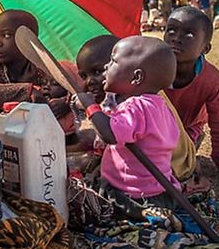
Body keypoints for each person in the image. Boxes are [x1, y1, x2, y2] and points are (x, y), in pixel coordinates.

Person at [72, 36, 180, 209]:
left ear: (136, 77)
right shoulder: (160, 106)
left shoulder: (134, 107)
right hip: (159, 191)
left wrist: (89, 105)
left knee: (77, 201)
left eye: (113, 61)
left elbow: (110, 134)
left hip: (132, 196)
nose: (107, 66)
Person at [163, 7, 219, 180]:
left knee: (175, 167)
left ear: (205, 48)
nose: (176, 38)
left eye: (189, 35)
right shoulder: (152, 66)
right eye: (171, 30)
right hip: (155, 127)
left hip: (187, 129)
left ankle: (189, 147)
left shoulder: (211, 80)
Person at [0, 10, 70, 126]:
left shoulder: (43, 68)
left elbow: (76, 88)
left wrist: (66, 103)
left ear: (29, 40)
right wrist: (27, 90)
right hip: (0, 133)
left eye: (6, 35)